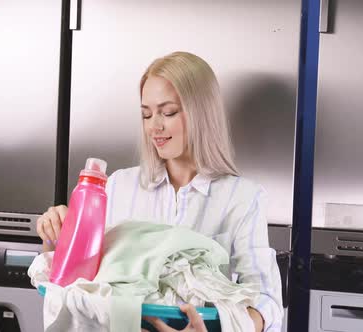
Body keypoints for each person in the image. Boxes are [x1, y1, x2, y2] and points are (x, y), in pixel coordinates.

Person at [37, 51, 283, 332]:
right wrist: (56, 236)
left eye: (168, 112)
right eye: (146, 114)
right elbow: (78, 280)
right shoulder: (118, 186)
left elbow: (267, 301)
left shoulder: (242, 198)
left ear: (202, 112)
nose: (155, 126)